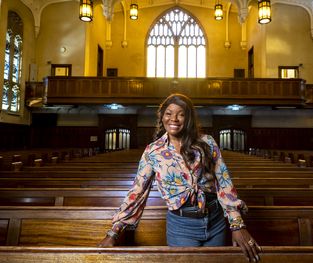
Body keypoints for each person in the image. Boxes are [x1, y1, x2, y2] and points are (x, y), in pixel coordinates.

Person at [99, 93, 261, 262]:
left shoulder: (207, 142)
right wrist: (114, 232)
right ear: (162, 116)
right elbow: (137, 192)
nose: (174, 119)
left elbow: (224, 182)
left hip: (215, 221)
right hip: (181, 225)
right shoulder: (153, 152)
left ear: (188, 118)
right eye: (168, 113)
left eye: (181, 114)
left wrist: (237, 225)